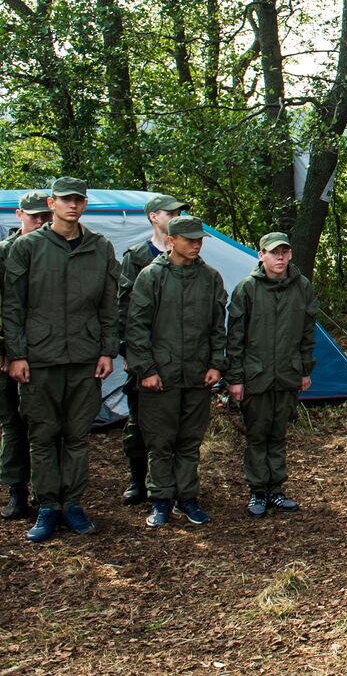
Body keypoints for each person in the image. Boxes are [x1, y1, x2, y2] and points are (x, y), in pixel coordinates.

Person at [2, 177, 119, 543]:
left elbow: (108, 303)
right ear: (52, 203)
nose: (72, 205)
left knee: (77, 435)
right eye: (66, 200)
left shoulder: (100, 247)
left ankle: (72, 503)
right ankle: (47, 505)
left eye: (78, 200)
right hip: (40, 359)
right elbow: (13, 305)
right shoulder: (29, 247)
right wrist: (16, 355)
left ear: (84, 204)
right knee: (42, 434)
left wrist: (106, 350)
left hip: (84, 358)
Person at [124, 216, 226, 527]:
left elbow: (217, 326)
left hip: (196, 374)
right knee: (160, 442)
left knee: (189, 441)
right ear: (172, 241)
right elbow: (136, 327)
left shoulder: (210, 278)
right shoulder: (150, 276)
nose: (196, 244)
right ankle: (161, 500)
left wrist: (215, 364)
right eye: (189, 239)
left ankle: (187, 498)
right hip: (161, 377)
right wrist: (146, 370)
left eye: (199, 240)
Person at [226, 232, 319, 516]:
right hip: (256, 375)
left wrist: (305, 369)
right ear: (261, 255)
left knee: (278, 434)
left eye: (284, 252)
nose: (280, 258)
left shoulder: (301, 286)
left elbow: (307, 332)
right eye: (273, 252)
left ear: (290, 254)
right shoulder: (247, 289)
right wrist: (235, 378)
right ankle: (257, 492)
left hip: (287, 373)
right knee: (257, 434)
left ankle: (276, 490)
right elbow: (235, 337)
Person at [116, 192, 189, 507]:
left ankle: (173, 483)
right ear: (153, 217)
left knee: (179, 423)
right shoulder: (136, 257)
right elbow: (125, 311)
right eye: (170, 212)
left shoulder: (189, 256)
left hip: (179, 357)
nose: (176, 216)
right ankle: (138, 480)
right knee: (139, 422)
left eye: (179, 213)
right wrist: (132, 355)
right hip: (145, 356)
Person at [0, 191, 52, 521]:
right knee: (13, 425)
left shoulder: (53, 251)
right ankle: (16, 490)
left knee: (48, 427)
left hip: (46, 352)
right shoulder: (4, 253)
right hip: (9, 355)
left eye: (44, 217)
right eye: (34, 217)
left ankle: (46, 491)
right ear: (19, 215)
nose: (40, 222)